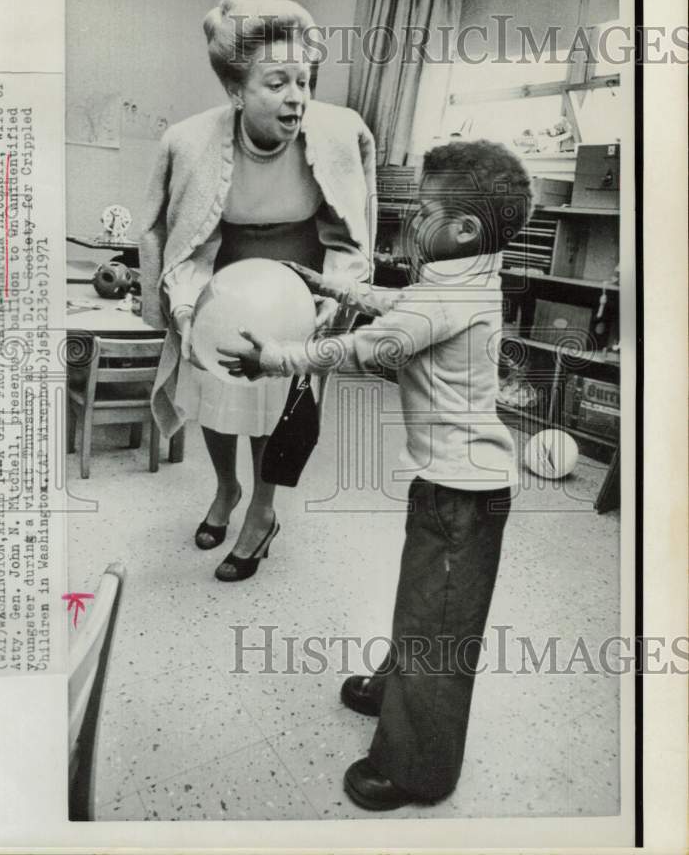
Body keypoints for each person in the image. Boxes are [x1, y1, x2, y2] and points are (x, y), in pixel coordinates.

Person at [219, 140, 533, 809]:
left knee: (439, 631)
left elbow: (366, 346)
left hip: (462, 494)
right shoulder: (465, 278)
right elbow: (395, 300)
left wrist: (274, 359)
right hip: (446, 485)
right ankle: (397, 687)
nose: (408, 221)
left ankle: (417, 768)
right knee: (421, 606)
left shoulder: (448, 301)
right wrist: (329, 283)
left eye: (421, 210)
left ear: (463, 228)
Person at [139, 0, 375, 582]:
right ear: (235, 89)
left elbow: (353, 237)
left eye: (305, 80)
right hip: (223, 281)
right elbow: (179, 242)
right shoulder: (190, 142)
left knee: (280, 405)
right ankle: (226, 488)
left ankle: (262, 513)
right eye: (277, 83)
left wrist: (333, 299)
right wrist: (187, 308)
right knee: (217, 397)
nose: (297, 98)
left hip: (301, 290)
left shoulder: (342, 133)